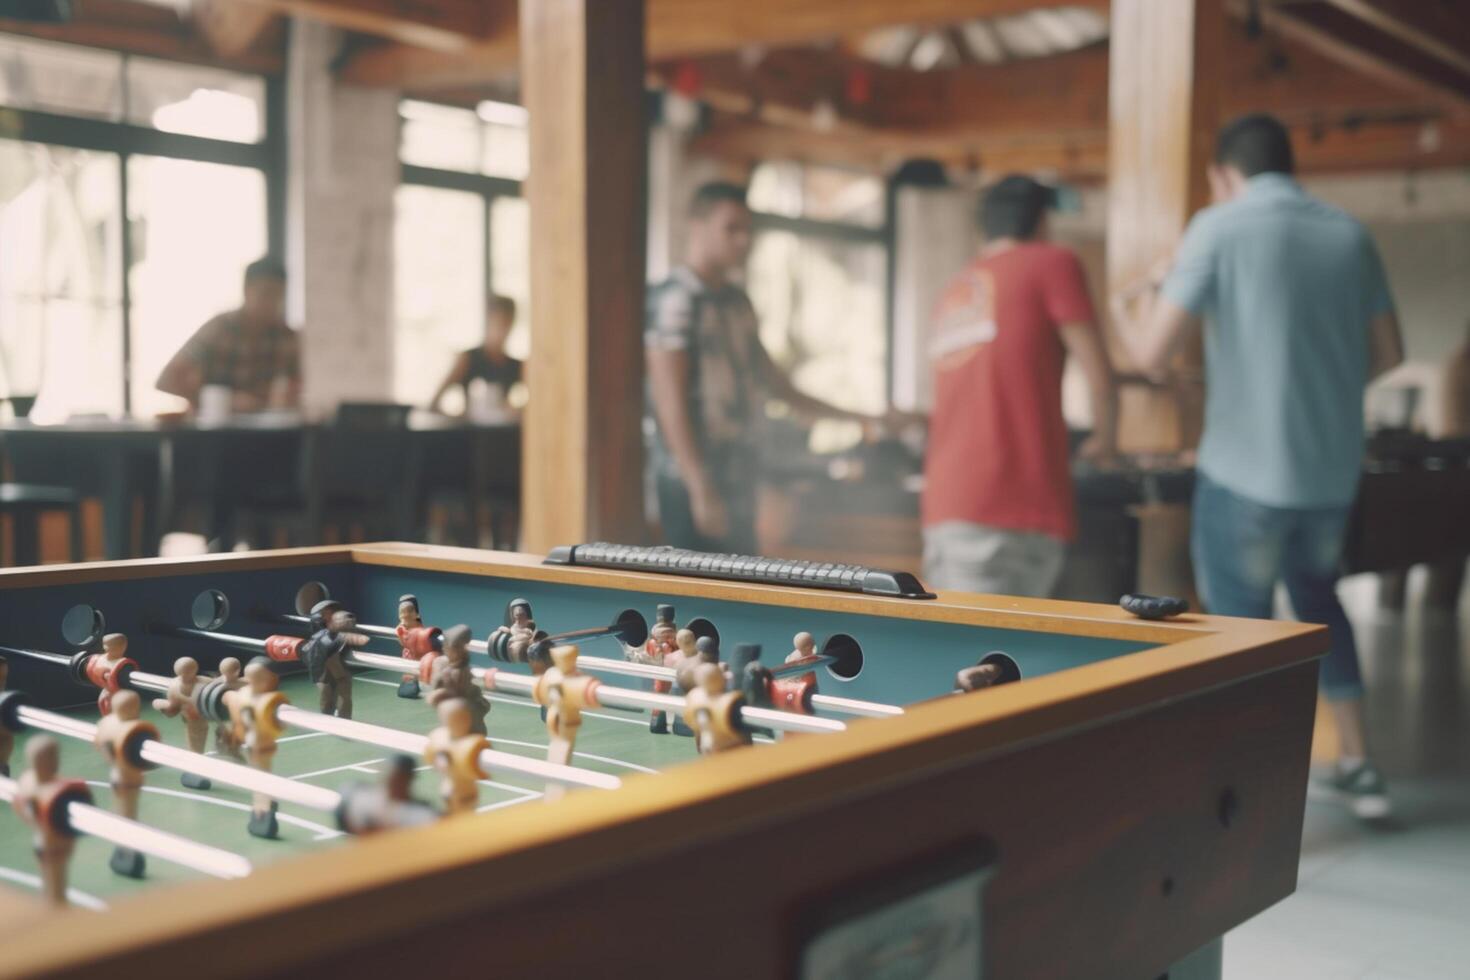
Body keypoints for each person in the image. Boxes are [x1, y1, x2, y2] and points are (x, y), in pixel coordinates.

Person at [1129, 113, 1404, 820]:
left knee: (1241, 627)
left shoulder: (1218, 226)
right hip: (1330, 473)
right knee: (1319, 601)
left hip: (1244, 472)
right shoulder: (1349, 234)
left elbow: (1150, 355)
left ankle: (1250, 780)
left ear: (1226, 174)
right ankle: (1359, 765)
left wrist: (1143, 290)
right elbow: (1389, 354)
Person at [645, 182, 884, 555]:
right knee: (696, 597)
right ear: (697, 226)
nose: (744, 240)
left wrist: (864, 417)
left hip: (741, 473)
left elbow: (779, 387)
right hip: (691, 480)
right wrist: (700, 488)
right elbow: (669, 401)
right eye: (731, 229)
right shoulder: (675, 299)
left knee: (742, 590)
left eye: (749, 230)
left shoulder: (739, 304)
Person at [920, 175, 1118, 598]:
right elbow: (1097, 369)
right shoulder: (1052, 263)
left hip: (946, 507)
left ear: (983, 228)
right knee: (1002, 660)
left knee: (961, 656)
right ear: (1042, 221)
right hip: (1012, 505)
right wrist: (1106, 439)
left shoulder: (956, 287)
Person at [156, 257, 300, 412]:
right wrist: (224, 400)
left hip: (266, 430)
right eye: (266, 293)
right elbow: (166, 381)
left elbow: (299, 386)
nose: (272, 303)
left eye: (278, 296)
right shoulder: (218, 330)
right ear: (246, 290)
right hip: (214, 429)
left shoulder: (286, 337)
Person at [429, 294, 524, 416]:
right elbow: (434, 402)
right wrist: (458, 418)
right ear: (488, 322)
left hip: (503, 432)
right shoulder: (468, 359)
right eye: (500, 322)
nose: (504, 330)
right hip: (470, 432)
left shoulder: (515, 365)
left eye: (508, 324)